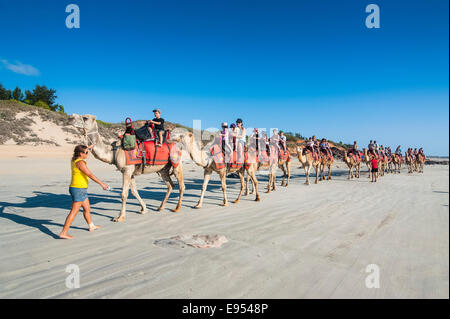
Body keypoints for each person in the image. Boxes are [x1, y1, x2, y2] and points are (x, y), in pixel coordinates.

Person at [59, 145, 109, 239]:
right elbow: (89, 174)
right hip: (78, 189)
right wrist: (102, 184)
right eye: (86, 153)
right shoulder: (80, 163)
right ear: (80, 154)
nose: (87, 154)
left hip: (79, 189)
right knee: (74, 211)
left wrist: (88, 147)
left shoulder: (74, 159)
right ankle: (64, 232)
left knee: (87, 208)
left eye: (88, 152)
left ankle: (91, 226)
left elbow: (81, 149)